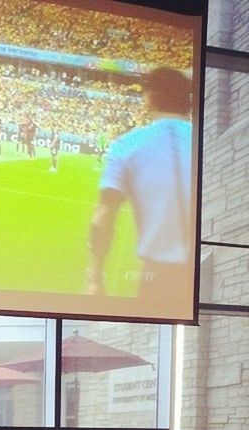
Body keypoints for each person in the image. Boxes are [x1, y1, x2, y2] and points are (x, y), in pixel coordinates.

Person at [86, 67, 192, 305]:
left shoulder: (127, 145)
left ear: (150, 97)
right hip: (207, 270)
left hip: (158, 277)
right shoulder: (210, 144)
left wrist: (94, 278)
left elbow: (102, 217)